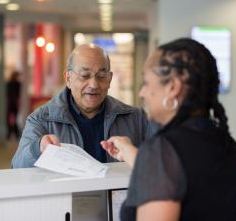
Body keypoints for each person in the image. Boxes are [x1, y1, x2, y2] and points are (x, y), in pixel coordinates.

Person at [101, 38, 236, 221]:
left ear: (173, 88)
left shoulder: (161, 150)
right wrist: (131, 153)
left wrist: (147, 157)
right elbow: (183, 176)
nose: (141, 93)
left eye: (146, 82)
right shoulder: (227, 144)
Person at [11, 44, 155, 168]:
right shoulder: (42, 119)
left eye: (101, 76)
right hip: (67, 199)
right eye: (85, 76)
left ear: (110, 79)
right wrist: (37, 148)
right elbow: (17, 166)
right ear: (68, 78)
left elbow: (161, 162)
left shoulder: (136, 118)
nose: (93, 85)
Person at [6, 71, 21, 141]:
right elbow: (17, 95)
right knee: (14, 119)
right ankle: (16, 133)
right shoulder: (18, 84)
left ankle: (10, 134)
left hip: (9, 103)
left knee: (9, 120)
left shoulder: (8, 83)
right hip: (14, 103)